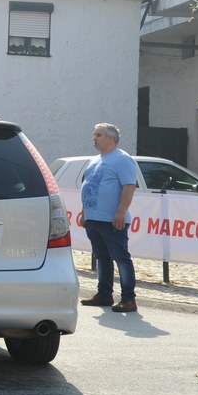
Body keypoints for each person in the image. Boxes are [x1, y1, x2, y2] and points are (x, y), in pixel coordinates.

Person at [79, 122, 139, 313]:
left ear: (111, 138)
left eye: (98, 135)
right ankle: (104, 294)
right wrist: (84, 212)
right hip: (94, 219)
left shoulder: (122, 159)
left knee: (121, 258)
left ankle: (128, 299)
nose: (94, 138)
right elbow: (89, 186)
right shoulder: (95, 160)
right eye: (94, 134)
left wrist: (120, 212)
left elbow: (129, 186)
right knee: (102, 257)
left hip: (111, 219)